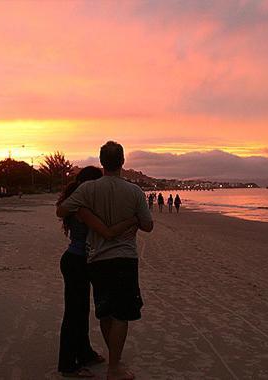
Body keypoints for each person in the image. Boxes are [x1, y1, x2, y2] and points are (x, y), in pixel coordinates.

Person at [57, 141, 153, 380]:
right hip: (124, 258)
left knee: (105, 312)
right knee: (121, 314)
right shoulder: (134, 191)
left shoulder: (88, 190)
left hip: (96, 260)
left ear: (102, 162)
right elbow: (148, 225)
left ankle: (111, 361)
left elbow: (61, 210)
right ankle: (114, 367)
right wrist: (132, 220)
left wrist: (83, 208)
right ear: (122, 162)